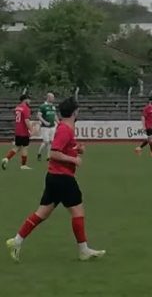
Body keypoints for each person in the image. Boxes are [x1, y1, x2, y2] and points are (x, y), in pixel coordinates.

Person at [6, 96, 106, 262]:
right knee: (78, 212)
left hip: (54, 177)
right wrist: (74, 159)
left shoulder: (64, 128)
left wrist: (76, 149)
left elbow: (63, 148)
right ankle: (83, 250)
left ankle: (16, 241)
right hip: (63, 178)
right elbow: (53, 153)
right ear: (75, 112)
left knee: (42, 213)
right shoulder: (65, 129)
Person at [3, 94, 33, 171]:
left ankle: (6, 159)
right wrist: (31, 130)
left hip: (17, 131)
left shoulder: (17, 107)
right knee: (25, 147)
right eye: (29, 99)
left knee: (17, 147)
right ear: (25, 99)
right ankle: (23, 165)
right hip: (24, 131)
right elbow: (26, 121)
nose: (30, 101)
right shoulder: (26, 108)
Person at [36, 93, 58, 162]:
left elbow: (55, 115)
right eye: (52, 97)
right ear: (48, 97)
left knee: (51, 142)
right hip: (45, 127)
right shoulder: (43, 106)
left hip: (52, 126)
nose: (53, 99)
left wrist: (58, 122)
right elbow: (38, 116)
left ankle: (48, 156)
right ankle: (39, 153)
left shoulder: (53, 106)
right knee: (46, 142)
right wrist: (44, 122)